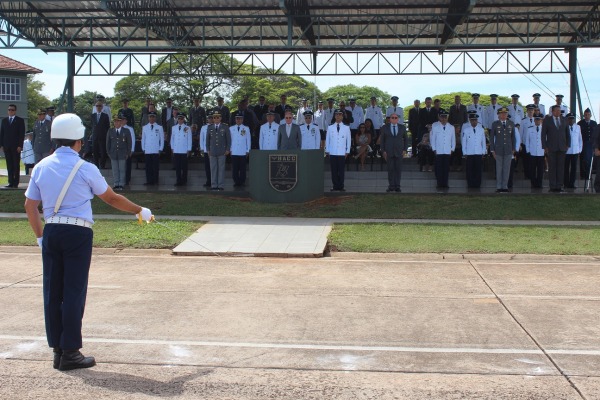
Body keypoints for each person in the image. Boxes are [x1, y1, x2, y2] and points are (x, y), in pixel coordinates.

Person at [24, 113, 152, 371]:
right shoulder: (85, 168)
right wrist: (139, 210)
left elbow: (30, 206)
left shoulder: (41, 166)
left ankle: (58, 351)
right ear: (78, 141)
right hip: (77, 233)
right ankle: (70, 351)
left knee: (52, 292)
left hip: (51, 231)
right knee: (73, 292)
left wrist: (40, 236)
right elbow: (112, 198)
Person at [542, 105, 571, 192]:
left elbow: (567, 133)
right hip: (551, 147)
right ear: (553, 111)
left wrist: (568, 144)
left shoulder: (564, 119)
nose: (559, 112)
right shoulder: (547, 120)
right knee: (552, 167)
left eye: (559, 110)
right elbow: (543, 134)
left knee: (560, 167)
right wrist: (545, 146)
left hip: (562, 147)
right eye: (557, 110)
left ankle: (559, 186)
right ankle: (552, 186)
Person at [380, 113, 408, 192]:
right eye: (392, 117)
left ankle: (397, 186)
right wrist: (383, 151)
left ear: (398, 119)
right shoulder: (385, 127)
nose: (394, 119)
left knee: (398, 169)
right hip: (389, 151)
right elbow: (382, 140)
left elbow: (406, 139)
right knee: (390, 169)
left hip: (399, 151)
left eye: (396, 118)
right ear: (390, 119)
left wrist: (405, 150)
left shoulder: (402, 127)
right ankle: (391, 186)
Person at [490, 107, 516, 193]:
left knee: (506, 169)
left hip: (508, 150)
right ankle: (499, 187)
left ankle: (505, 186)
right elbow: (491, 138)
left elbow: (513, 137)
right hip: (498, 150)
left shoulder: (511, 123)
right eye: (501, 113)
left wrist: (513, 149)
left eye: (505, 113)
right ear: (498, 115)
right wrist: (492, 150)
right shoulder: (495, 124)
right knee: (499, 169)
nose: (503, 115)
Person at [326, 109, 351, 191]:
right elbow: (328, 140)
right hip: (332, 152)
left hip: (342, 152)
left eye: (340, 114)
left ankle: (341, 186)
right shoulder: (330, 127)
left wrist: (347, 151)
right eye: (336, 114)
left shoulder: (346, 128)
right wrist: (328, 151)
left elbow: (349, 140)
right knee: (334, 170)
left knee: (341, 170)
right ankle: (335, 186)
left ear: (342, 116)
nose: (338, 116)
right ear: (334, 116)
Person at [1, 103, 26, 188]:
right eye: (9, 110)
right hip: (7, 146)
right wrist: (1, 145)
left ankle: (16, 183)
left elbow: (21, 134)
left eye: (12, 110)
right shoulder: (4, 121)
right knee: (9, 165)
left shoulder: (19, 120)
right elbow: (2, 133)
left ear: (15, 111)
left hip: (16, 147)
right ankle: (10, 182)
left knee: (16, 165)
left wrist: (20, 145)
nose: (10, 111)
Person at [430, 109, 455, 190]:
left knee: (446, 168)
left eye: (445, 117)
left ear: (447, 118)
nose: (444, 119)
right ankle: (439, 183)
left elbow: (453, 139)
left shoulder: (451, 127)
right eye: (442, 117)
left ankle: (445, 183)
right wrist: (434, 149)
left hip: (447, 150)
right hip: (439, 151)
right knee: (439, 168)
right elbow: (433, 139)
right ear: (439, 117)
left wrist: (452, 149)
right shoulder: (435, 127)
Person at [106, 114, 132, 190]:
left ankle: (121, 184)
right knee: (115, 169)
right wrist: (108, 152)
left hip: (122, 153)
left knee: (122, 169)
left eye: (118, 121)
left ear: (121, 122)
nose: (117, 123)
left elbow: (129, 142)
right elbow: (108, 143)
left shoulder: (126, 131)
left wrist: (128, 152)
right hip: (113, 153)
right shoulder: (110, 131)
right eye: (115, 122)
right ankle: (116, 183)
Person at [206, 111, 231, 191]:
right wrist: (208, 149)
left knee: (221, 169)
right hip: (212, 151)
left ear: (220, 118)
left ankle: (220, 185)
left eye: (218, 117)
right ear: (213, 119)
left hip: (222, 151)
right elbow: (207, 140)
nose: (216, 119)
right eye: (214, 117)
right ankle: (214, 185)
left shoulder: (225, 127)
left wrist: (228, 149)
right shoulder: (210, 127)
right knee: (213, 168)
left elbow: (228, 139)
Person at [461, 113, 487, 188]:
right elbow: (464, 142)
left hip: (478, 153)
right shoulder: (466, 130)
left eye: (475, 120)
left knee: (478, 170)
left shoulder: (481, 130)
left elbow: (483, 142)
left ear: (477, 120)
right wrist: (464, 152)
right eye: (472, 120)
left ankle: (477, 184)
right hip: (469, 153)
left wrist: (483, 152)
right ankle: (470, 184)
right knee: (470, 170)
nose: (474, 122)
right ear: (470, 120)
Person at [141, 111, 164, 185]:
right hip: (147, 150)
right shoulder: (145, 127)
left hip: (156, 149)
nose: (151, 118)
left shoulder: (159, 127)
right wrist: (143, 148)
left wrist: (161, 149)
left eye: (153, 116)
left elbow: (162, 139)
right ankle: (149, 181)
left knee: (155, 167)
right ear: (148, 118)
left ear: (155, 118)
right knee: (148, 167)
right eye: (150, 117)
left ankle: (155, 181)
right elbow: (143, 139)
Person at [229, 111, 251, 188]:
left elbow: (248, 140)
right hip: (234, 151)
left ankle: (242, 181)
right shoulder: (231, 128)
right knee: (235, 168)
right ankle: (236, 181)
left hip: (243, 151)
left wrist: (248, 150)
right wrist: (230, 149)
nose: (238, 120)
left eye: (240, 119)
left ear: (242, 119)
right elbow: (230, 140)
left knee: (242, 168)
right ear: (235, 119)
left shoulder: (246, 128)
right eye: (237, 119)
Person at [171, 114, 192, 186]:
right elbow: (172, 138)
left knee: (184, 167)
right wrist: (172, 148)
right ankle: (178, 181)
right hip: (176, 149)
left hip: (184, 150)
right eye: (179, 119)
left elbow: (189, 139)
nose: (180, 120)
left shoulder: (187, 128)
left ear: (183, 119)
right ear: (177, 119)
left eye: (181, 119)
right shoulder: (174, 128)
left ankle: (184, 180)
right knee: (177, 167)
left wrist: (189, 149)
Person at [526, 113, 546, 189]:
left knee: (540, 169)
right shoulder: (530, 129)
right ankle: (533, 183)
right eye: (536, 120)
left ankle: (539, 184)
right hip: (533, 152)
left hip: (541, 152)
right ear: (534, 120)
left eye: (539, 120)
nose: (537, 121)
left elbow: (546, 140)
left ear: (541, 121)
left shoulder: (544, 129)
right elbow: (527, 140)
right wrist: (528, 150)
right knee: (532, 169)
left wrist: (545, 150)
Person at [564, 113, 582, 189]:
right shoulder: (564, 127)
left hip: (575, 151)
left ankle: (572, 184)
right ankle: (566, 183)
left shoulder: (578, 127)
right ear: (567, 120)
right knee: (566, 168)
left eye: (572, 119)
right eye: (569, 119)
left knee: (574, 168)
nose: (571, 120)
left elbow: (580, 139)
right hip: (567, 151)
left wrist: (580, 149)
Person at [578, 108, 597, 180]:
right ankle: (583, 175)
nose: (587, 116)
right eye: (585, 115)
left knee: (589, 160)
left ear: (590, 115)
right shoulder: (580, 123)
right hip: (583, 143)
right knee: (583, 159)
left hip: (591, 144)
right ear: (584, 115)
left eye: (588, 115)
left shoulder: (594, 123)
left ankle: (588, 175)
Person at [91, 101, 110, 169]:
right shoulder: (93, 116)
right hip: (95, 136)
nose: (98, 107)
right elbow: (92, 126)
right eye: (97, 106)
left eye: (99, 106)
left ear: (102, 107)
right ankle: (96, 165)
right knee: (95, 152)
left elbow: (108, 126)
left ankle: (102, 165)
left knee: (103, 152)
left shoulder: (105, 116)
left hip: (103, 137)